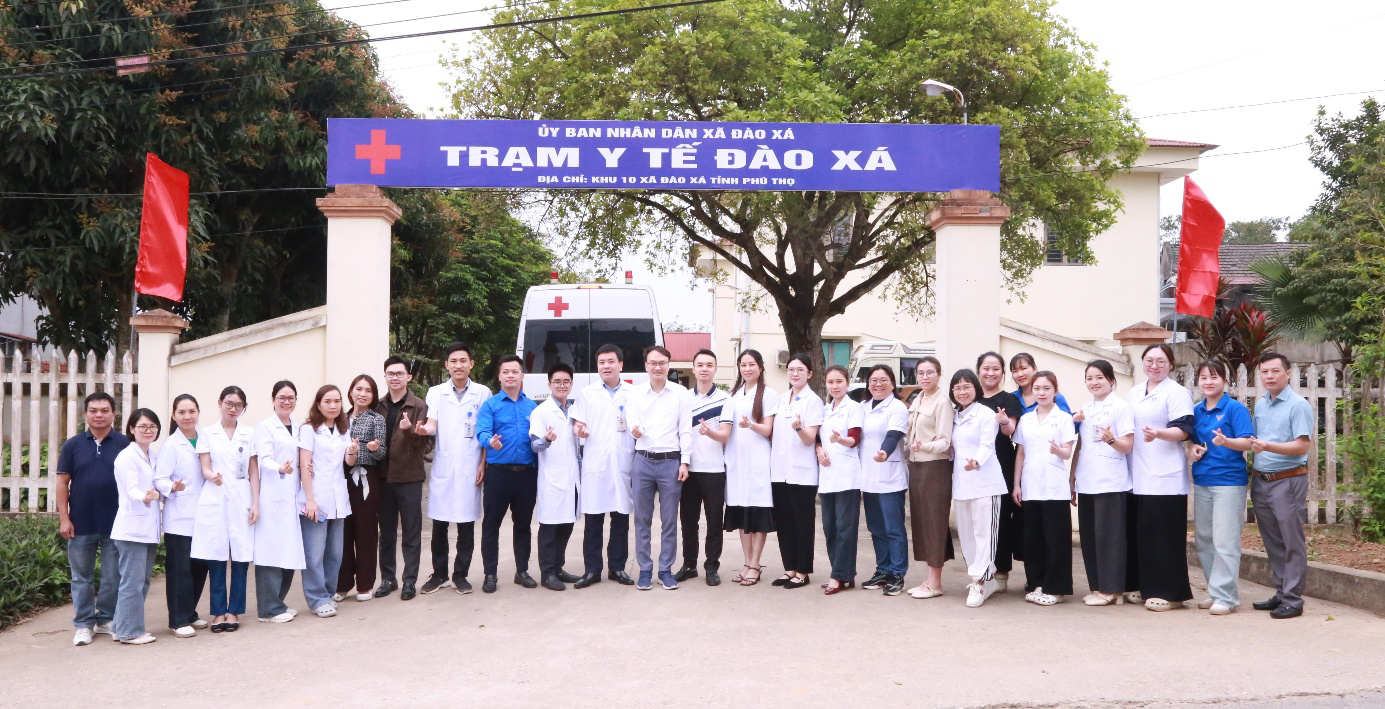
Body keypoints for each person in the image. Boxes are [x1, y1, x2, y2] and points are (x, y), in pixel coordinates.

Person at [1126, 343, 1195, 611]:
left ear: (1171, 365)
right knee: (1143, 534)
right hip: (1138, 473)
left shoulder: (1177, 392)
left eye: (1161, 361)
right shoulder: (1133, 393)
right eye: (1149, 361)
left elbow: (1184, 430)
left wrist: (1159, 433)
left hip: (1165, 476)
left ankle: (1171, 593)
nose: (1154, 366)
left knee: (1165, 537)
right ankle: (1144, 586)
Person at [58, 391, 130, 647]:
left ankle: (106, 619)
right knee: (81, 578)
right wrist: (64, 518)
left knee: (112, 577)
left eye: (104, 410)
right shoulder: (72, 446)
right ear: (85, 414)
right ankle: (84, 624)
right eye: (94, 410)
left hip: (116, 523)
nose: (99, 415)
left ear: (113, 415)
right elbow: (62, 483)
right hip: (80, 523)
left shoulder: (125, 444)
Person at [1248, 352, 1315, 620]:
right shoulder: (1261, 404)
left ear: (1288, 374)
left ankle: (1293, 600)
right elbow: (1255, 440)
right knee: (1273, 541)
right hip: (1262, 481)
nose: (1269, 376)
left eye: (1275, 371)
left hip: (1288, 480)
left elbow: (1302, 445)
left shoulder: (1298, 405)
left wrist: (1268, 446)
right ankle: (1281, 592)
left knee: (1291, 541)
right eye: (1264, 372)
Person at [418, 343, 490, 596]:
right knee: (439, 524)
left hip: (471, 465)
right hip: (445, 466)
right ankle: (439, 575)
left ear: (471, 364)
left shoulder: (483, 393)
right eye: (453, 361)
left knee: (466, 524)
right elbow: (432, 423)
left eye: (463, 360)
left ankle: (460, 575)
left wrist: (483, 463)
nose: (458, 365)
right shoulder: (436, 392)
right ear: (446, 365)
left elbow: (485, 430)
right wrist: (423, 430)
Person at [1187, 360, 1254, 616]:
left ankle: (1226, 597)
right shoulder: (1196, 410)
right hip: (1203, 480)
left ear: (1225, 381)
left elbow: (1248, 442)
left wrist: (1227, 442)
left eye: (1214, 377)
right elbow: (1191, 441)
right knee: (1205, 540)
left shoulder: (1235, 408)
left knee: (1225, 541)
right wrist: (1192, 448)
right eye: (1204, 377)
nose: (1208, 382)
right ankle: (1216, 592)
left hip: (1229, 482)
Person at [627, 345, 694, 590]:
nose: (657, 367)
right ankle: (645, 569)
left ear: (668, 365)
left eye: (662, 363)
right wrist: (635, 430)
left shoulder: (680, 393)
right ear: (646, 365)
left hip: (670, 462)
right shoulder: (635, 393)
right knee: (642, 520)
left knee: (669, 520)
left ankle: (665, 569)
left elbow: (685, 429)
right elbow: (632, 421)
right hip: (643, 460)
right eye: (653, 363)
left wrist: (684, 461)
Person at [1070, 359, 1135, 606]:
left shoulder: (1120, 407)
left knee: (1110, 537)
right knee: (1090, 537)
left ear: (1111, 380)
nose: (1094, 382)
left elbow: (1127, 445)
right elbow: (1080, 446)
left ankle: (1112, 590)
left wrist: (1111, 440)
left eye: (1099, 377)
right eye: (1089, 378)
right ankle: (1097, 586)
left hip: (1110, 481)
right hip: (1087, 479)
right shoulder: (1085, 410)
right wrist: (1072, 477)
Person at [570, 344, 637, 588]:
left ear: (621, 364)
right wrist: (579, 429)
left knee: (620, 520)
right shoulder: (587, 393)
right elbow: (577, 423)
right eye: (601, 362)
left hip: (622, 462)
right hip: (596, 465)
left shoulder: (633, 393)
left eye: (610, 361)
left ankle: (617, 568)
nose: (606, 366)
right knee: (593, 521)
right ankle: (592, 570)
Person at [192, 386, 257, 633]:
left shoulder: (249, 434)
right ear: (220, 403)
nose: (233, 409)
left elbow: (253, 471)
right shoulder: (207, 433)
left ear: (243, 408)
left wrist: (256, 502)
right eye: (229, 403)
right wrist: (212, 476)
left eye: (238, 405)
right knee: (216, 556)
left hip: (241, 498)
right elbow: (204, 467)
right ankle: (219, 611)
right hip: (215, 497)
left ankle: (234, 611)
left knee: (240, 556)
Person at [475, 355, 540, 593]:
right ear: (499, 376)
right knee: (491, 525)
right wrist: (490, 442)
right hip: (498, 475)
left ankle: (522, 571)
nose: (510, 375)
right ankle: (490, 574)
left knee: (523, 525)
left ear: (522, 376)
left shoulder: (532, 407)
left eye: (515, 371)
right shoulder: (490, 405)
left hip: (526, 475)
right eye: (506, 372)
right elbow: (482, 432)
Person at [1012, 371, 1077, 606]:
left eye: (1047, 388)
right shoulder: (1026, 419)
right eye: (1037, 388)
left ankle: (1056, 588)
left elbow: (1067, 452)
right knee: (1033, 539)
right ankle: (1037, 583)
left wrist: (1058, 451)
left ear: (1055, 391)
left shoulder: (1064, 418)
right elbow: (1021, 453)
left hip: (1054, 487)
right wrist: (1016, 484)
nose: (1041, 392)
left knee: (1056, 539)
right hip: (1031, 485)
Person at [719, 349, 778, 587]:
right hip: (737, 462)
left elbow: (768, 429)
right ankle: (746, 562)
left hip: (758, 461)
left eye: (751, 364)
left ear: (760, 367)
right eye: (743, 365)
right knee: (742, 514)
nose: (747, 369)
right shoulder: (733, 396)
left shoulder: (769, 395)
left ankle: (755, 563)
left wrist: (751, 425)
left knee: (757, 513)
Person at [373, 356, 430, 600]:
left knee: (411, 531)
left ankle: (409, 580)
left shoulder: (418, 406)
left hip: (409, 477)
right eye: (390, 373)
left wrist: (409, 432)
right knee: (386, 532)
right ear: (385, 376)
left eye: (399, 373)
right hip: (383, 477)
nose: (395, 377)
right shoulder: (377, 406)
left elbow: (424, 446)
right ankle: (388, 579)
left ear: (409, 377)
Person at [152, 394, 209, 637]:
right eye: (182, 412)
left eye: (191, 411)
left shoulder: (205, 439)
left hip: (204, 514)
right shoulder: (171, 445)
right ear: (174, 416)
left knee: (200, 566)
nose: (187, 416)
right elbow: (159, 478)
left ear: (198, 413)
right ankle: (177, 619)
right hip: (180, 516)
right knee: (180, 570)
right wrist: (172, 487)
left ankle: (190, 612)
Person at [949, 369, 1006, 608]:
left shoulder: (985, 413)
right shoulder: (954, 416)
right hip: (962, 485)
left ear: (976, 389)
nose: (962, 392)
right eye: (957, 388)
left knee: (984, 534)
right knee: (967, 534)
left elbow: (987, 445)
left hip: (985, 483)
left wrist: (977, 461)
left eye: (966, 387)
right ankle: (984, 579)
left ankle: (979, 582)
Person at [298, 384, 356, 618]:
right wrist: (310, 500)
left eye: (337, 401)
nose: (333, 405)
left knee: (335, 553)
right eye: (328, 401)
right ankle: (316, 599)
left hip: (338, 499)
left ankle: (328, 593)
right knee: (314, 553)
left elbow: (349, 463)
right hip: (316, 499)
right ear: (318, 405)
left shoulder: (344, 428)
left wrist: (353, 450)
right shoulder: (309, 430)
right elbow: (305, 465)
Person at [109, 408, 165, 645]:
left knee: (140, 581)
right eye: (142, 426)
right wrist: (146, 496)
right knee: (131, 583)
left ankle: (121, 627)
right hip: (131, 530)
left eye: (152, 426)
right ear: (132, 429)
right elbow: (131, 489)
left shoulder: (153, 455)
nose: (148, 430)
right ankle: (129, 632)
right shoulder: (126, 457)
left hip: (147, 529)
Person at [252, 381, 307, 624]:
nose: (286, 401)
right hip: (273, 498)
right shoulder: (265, 427)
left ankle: (278, 603)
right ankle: (268, 609)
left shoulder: (299, 428)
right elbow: (263, 459)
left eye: (291, 397)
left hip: (292, 498)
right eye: (282, 397)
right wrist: (280, 468)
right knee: (271, 552)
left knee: (288, 551)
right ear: (273, 400)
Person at [768, 353, 823, 590]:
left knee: (802, 523)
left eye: (800, 369)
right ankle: (789, 568)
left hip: (802, 473)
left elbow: (810, 438)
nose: (795, 373)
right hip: (779, 471)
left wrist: (799, 428)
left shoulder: (813, 401)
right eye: (791, 369)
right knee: (784, 522)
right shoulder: (781, 399)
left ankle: (802, 571)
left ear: (809, 374)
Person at [675, 349, 730, 586]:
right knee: (688, 522)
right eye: (700, 365)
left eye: (709, 365)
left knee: (714, 521)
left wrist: (711, 433)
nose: (704, 369)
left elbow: (726, 435)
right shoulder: (684, 398)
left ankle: (711, 566)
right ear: (694, 369)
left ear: (715, 369)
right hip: (688, 470)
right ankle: (689, 565)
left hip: (715, 470)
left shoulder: (725, 400)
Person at [529, 363, 583, 591]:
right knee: (550, 528)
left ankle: (558, 567)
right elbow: (534, 445)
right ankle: (547, 573)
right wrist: (547, 440)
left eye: (566, 381)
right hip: (551, 478)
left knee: (566, 525)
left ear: (571, 384)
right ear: (549, 384)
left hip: (572, 477)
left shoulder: (575, 411)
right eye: (557, 382)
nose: (562, 385)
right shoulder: (541, 411)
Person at [904, 356, 953, 600]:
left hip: (935, 467)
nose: (925, 377)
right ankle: (929, 578)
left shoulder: (943, 402)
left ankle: (935, 583)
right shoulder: (919, 398)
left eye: (930, 372)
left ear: (939, 374)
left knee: (934, 523)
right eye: (921, 373)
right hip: (916, 467)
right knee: (922, 523)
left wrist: (925, 446)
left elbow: (945, 441)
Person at [859, 364, 910, 596]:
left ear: (892, 383)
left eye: (883, 380)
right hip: (868, 477)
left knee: (893, 528)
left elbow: (893, 435)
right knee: (876, 528)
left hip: (890, 476)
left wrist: (884, 452)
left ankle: (897, 574)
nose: (878, 384)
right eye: (873, 380)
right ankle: (883, 570)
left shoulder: (897, 407)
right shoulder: (863, 407)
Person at [975, 352, 1023, 593]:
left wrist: (1003, 421)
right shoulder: (969, 398)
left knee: (1001, 517)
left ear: (1003, 372)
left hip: (1001, 464)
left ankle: (1001, 570)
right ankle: (980, 569)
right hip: (973, 466)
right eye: (986, 368)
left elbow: (1010, 430)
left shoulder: (1009, 399)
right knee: (979, 519)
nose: (990, 373)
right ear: (978, 371)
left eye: (996, 368)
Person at [815, 365, 863, 595]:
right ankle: (844, 574)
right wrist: (818, 449)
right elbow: (817, 437)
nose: (834, 386)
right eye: (831, 382)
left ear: (847, 384)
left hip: (847, 475)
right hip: (827, 474)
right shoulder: (824, 410)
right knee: (830, 527)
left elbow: (854, 439)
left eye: (839, 382)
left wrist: (840, 440)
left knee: (845, 527)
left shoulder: (854, 408)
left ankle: (838, 575)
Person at [340, 374, 387, 602]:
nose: (363, 394)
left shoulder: (377, 419)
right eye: (359, 389)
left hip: (366, 478)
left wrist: (374, 448)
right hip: (340, 478)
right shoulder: (339, 418)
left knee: (366, 531)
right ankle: (341, 584)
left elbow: (382, 453)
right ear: (351, 391)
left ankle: (365, 584)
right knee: (342, 532)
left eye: (368, 390)